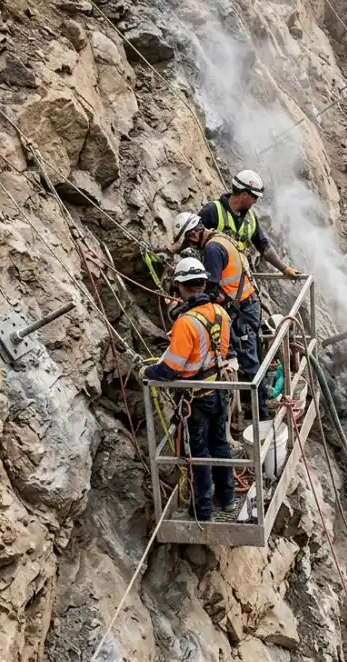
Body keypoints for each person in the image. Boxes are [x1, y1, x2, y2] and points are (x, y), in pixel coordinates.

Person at [141, 258, 235, 521]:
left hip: (197, 397)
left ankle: (203, 509)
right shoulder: (220, 313)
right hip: (218, 389)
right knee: (220, 444)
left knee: (199, 452)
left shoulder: (185, 323)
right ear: (203, 284)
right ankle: (227, 499)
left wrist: (146, 372)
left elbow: (170, 369)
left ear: (180, 287)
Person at [178, 198, 280, 423]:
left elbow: (212, 287)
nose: (191, 246)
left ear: (194, 235)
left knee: (250, 362)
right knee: (250, 356)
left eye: (189, 241)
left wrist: (188, 307)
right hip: (246, 304)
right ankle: (256, 409)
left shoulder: (212, 249)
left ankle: (261, 417)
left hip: (241, 309)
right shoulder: (220, 238)